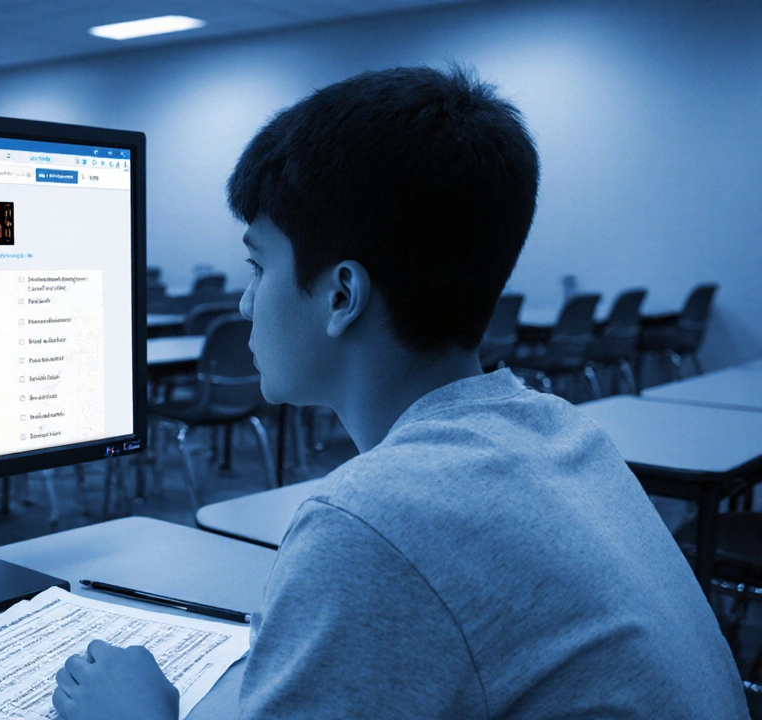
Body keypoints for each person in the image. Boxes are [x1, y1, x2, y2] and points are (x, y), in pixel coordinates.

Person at [52, 65, 747, 719]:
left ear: (342, 295)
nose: (242, 304)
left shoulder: (371, 525)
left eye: (257, 265)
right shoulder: (563, 434)